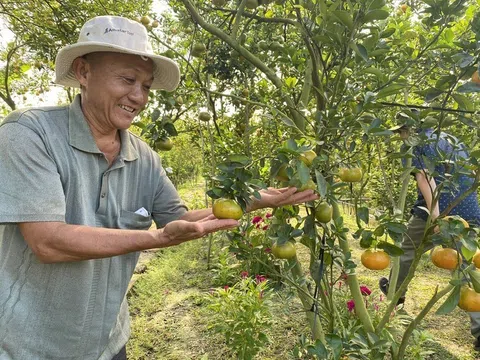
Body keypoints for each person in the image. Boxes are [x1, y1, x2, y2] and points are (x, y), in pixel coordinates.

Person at [0, 16, 318, 360]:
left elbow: (176, 220)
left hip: (106, 343)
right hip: (28, 345)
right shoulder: (30, 134)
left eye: (147, 86)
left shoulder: (144, 157)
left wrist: (250, 201)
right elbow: (47, 242)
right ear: (83, 72)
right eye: (127, 79)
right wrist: (155, 240)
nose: (138, 97)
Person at [379, 116, 480, 349]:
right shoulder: (453, 140)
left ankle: (395, 294)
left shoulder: (417, 142)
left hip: (436, 211)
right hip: (469, 210)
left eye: (400, 133)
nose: (401, 138)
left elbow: (425, 178)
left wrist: (438, 219)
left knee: (406, 251)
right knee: (468, 270)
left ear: (408, 130)